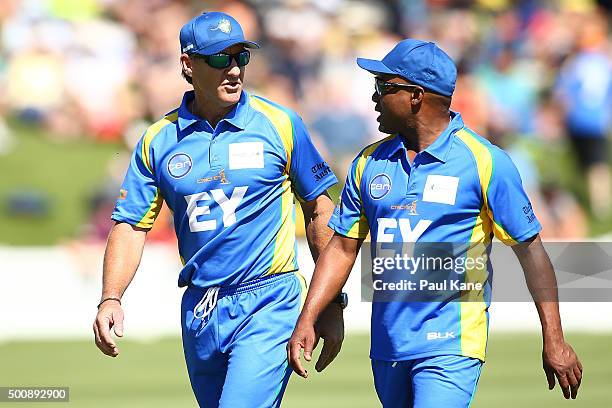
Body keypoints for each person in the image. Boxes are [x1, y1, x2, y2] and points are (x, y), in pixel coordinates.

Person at [288, 39, 583, 407]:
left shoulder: (485, 162)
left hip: (452, 345)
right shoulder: (368, 162)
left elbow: (532, 253)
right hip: (388, 346)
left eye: (384, 86)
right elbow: (343, 248)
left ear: (415, 96)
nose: (374, 98)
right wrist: (309, 317)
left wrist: (554, 338)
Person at [93, 11, 344, 408]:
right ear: (188, 65)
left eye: (240, 57)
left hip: (269, 299)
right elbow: (131, 225)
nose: (233, 70)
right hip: (199, 309)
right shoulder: (157, 140)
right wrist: (111, 297)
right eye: (218, 58)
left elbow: (320, 210)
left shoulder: (280, 123)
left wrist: (329, 302)